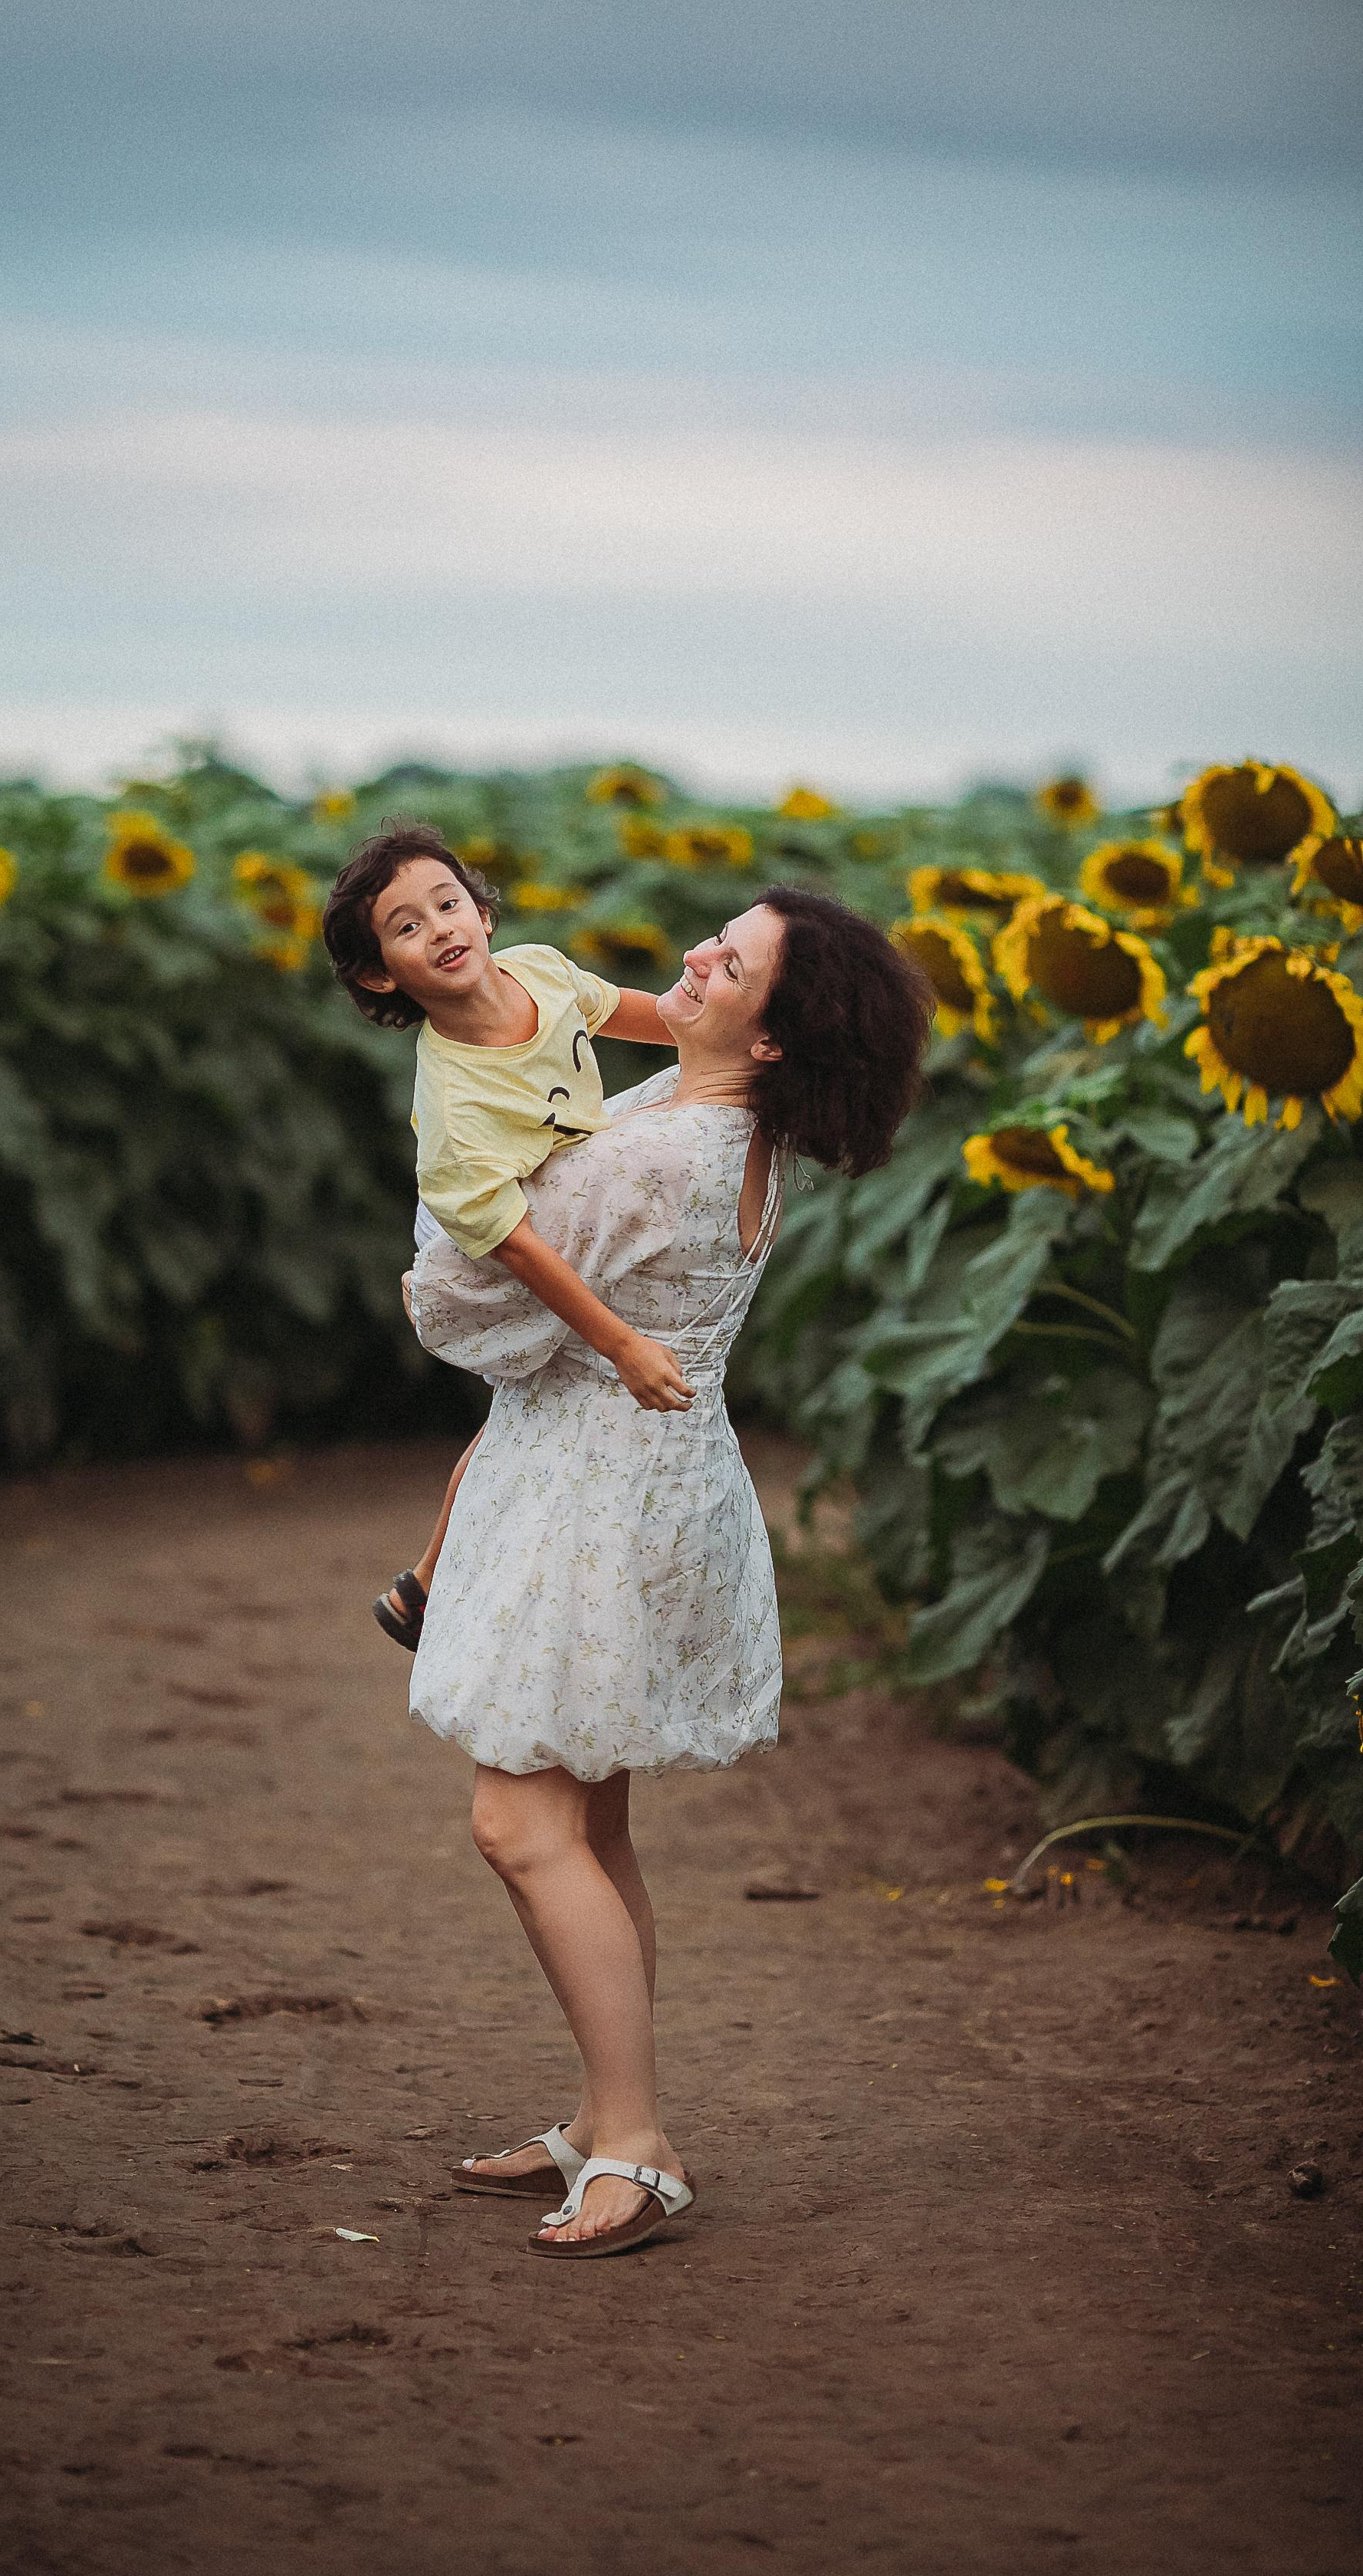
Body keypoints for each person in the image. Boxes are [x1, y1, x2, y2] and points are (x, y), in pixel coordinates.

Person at [403, 888, 933, 2256]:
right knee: (591, 1828)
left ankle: (638, 2142)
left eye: (733, 961)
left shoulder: (660, 1155)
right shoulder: (719, 1125)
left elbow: (475, 1311)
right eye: (716, 934)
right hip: (656, 1490)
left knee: (519, 1829)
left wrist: (460, 1183)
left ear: (770, 1037)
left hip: (594, 1497)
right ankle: (605, 2117)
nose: (694, 954)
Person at [320, 820, 685, 1653]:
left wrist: (722, 1040)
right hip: (477, 1230)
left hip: (553, 1176)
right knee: (528, 1401)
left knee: (529, 1410)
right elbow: (514, 1245)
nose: (439, 926)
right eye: (406, 926)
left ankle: (420, 1588)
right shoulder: (459, 1116)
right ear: (382, 975)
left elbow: (631, 1013)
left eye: (447, 903)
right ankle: (434, 1584)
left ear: (483, 915)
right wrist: (622, 1344)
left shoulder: (541, 971)